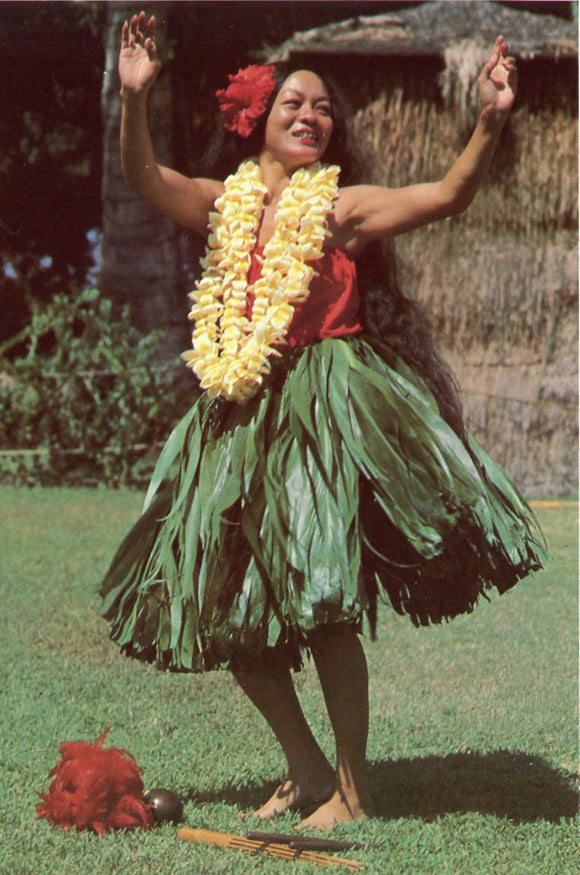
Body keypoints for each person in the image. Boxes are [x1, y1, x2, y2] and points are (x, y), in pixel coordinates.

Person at [100, 12, 547, 831]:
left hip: (327, 409)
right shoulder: (222, 202)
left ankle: (357, 788)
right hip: (238, 417)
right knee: (235, 611)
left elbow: (448, 193)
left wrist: (487, 121)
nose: (313, 116)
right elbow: (146, 180)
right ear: (255, 121)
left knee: (323, 601)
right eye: (294, 105)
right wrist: (133, 101)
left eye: (324, 109)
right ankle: (308, 771)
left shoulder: (340, 207)